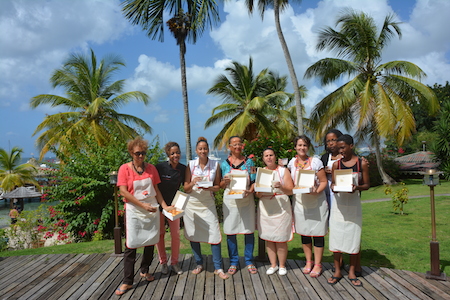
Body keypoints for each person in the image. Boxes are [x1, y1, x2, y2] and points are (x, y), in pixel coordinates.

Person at [115, 137, 172, 296]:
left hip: (151, 208)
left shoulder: (152, 169)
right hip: (134, 209)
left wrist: (164, 206)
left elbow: (157, 190)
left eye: (143, 153)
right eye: (137, 153)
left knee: (150, 240)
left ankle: (145, 270)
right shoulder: (124, 169)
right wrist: (143, 205)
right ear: (131, 153)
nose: (141, 156)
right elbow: (123, 191)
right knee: (131, 244)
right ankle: (127, 281)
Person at [328, 134, 370, 287]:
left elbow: (367, 184)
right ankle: (337, 271)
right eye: (338, 148)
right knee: (336, 237)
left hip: (353, 206)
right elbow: (333, 184)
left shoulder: (361, 164)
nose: (341, 150)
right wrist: (334, 187)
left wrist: (356, 187)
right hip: (338, 207)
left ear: (351, 146)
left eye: (343, 147)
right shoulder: (336, 165)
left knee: (353, 237)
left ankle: (352, 271)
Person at [184, 137, 228, 279]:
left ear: (208, 150)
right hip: (192, 204)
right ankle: (199, 263)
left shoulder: (215, 164)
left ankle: (218, 267)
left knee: (214, 234)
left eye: (205, 148)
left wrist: (209, 187)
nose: (203, 151)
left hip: (208, 203)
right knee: (193, 234)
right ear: (196, 151)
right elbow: (186, 188)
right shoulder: (190, 165)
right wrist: (193, 183)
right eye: (200, 149)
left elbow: (217, 187)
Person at [288, 135, 328, 278]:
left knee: (317, 233)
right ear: (295, 147)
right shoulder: (292, 163)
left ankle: (318, 264)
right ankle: (308, 261)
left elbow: (323, 181)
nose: (302, 148)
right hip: (300, 203)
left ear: (308, 147)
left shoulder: (316, 162)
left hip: (317, 203)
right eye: (299, 145)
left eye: (304, 145)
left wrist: (316, 191)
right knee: (305, 233)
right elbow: (290, 183)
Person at [220, 136, 257, 275]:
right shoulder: (224, 164)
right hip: (230, 201)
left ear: (243, 145)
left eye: (239, 144)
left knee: (249, 230)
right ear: (229, 147)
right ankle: (234, 261)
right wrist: (224, 181)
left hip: (246, 199)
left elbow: (254, 181)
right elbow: (220, 185)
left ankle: (249, 260)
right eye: (234, 144)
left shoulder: (250, 162)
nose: (237, 146)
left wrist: (250, 190)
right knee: (230, 230)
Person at [255, 148, 294, 276]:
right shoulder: (262, 172)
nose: (269, 157)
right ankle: (273, 265)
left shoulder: (283, 171)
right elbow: (258, 194)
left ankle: (282, 265)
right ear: (263, 159)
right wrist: (260, 191)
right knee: (269, 237)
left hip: (281, 206)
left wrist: (280, 187)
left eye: (271, 155)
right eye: (266, 156)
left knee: (281, 238)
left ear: (275, 156)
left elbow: (290, 190)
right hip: (266, 207)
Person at [155, 142, 186, 275]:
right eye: (172, 153)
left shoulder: (183, 169)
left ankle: (174, 263)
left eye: (177, 152)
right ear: (168, 154)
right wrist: (164, 206)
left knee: (176, 235)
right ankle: (163, 263)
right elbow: (155, 188)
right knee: (160, 234)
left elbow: (186, 187)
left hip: (175, 206)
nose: (176, 155)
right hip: (160, 205)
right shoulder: (160, 167)